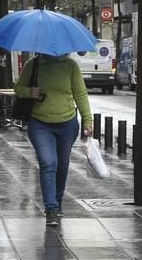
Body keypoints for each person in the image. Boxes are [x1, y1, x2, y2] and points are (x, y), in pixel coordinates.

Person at [14, 53, 93, 226]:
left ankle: (57, 201)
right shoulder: (32, 65)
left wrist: (88, 119)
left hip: (67, 125)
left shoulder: (70, 66)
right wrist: (29, 91)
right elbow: (18, 88)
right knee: (48, 163)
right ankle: (51, 208)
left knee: (62, 165)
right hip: (40, 124)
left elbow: (80, 94)